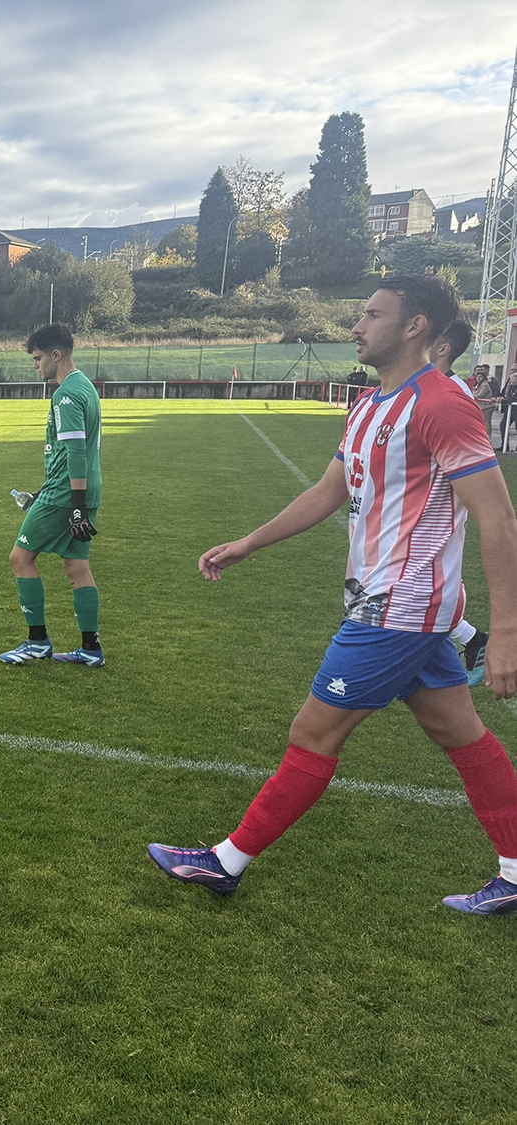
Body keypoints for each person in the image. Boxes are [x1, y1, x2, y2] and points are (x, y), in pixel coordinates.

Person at [149, 275, 517, 915]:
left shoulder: (443, 404)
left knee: (313, 731)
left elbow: (499, 519)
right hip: (395, 607)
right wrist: (247, 543)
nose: (356, 326)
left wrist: (507, 631)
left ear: (415, 326)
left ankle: (226, 862)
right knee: (461, 733)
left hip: (397, 609)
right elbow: (329, 490)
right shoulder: (369, 404)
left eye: (372, 315)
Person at [0, 323, 104, 668]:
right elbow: (74, 451)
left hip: (66, 494)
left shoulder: (65, 393)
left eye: (38, 358)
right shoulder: (85, 385)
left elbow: (76, 452)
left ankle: (37, 641)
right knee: (76, 565)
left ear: (57, 355)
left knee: (20, 558)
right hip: (78, 489)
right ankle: (90, 648)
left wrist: (73, 505)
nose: (35, 365)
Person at [430, 319, 491, 684]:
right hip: (424, 506)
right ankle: (471, 641)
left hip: (441, 506)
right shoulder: (431, 387)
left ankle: (477, 640)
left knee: (430, 582)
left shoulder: (453, 393)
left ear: (442, 348)